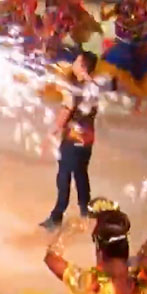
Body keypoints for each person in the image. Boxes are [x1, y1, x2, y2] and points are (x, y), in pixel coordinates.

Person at [39, 50, 100, 231]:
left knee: (64, 175)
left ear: (83, 66)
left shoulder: (73, 89)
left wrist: (51, 133)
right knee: (81, 174)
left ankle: (56, 216)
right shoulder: (94, 87)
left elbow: (66, 111)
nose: (73, 64)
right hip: (88, 138)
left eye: (76, 62)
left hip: (73, 138)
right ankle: (86, 212)